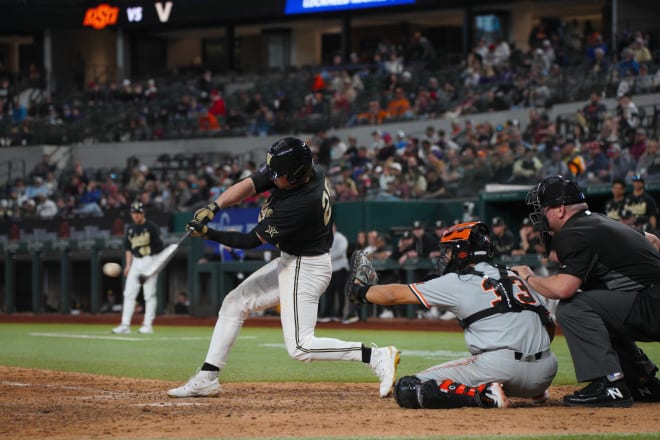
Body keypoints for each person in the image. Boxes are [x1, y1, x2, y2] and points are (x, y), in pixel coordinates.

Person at [167, 137, 399, 399]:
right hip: (293, 260)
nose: (273, 179)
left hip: (306, 267)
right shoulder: (305, 170)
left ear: (297, 174)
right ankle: (207, 378)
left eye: (279, 176)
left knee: (301, 347)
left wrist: (208, 233)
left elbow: (248, 241)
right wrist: (214, 206)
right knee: (234, 303)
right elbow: (251, 184)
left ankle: (376, 356)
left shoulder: (301, 204)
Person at [346, 221, 558, 409]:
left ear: (463, 252)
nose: (445, 256)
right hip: (546, 371)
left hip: (501, 367)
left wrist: (359, 291)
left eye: (448, 251)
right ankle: (534, 392)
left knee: (409, 387)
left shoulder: (458, 281)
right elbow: (548, 327)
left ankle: (483, 395)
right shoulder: (514, 275)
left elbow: (394, 295)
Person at [512, 175, 660, 407]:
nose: (540, 215)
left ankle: (610, 384)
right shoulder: (600, 220)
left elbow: (563, 289)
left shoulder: (573, 231)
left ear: (560, 209)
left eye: (543, 209)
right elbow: (652, 241)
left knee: (573, 307)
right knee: (599, 307)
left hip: (652, 305)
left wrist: (529, 277)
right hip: (652, 300)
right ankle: (642, 382)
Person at [112, 201, 164, 335]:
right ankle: (125, 325)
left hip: (150, 260)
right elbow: (128, 249)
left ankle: (148, 325)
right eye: (133, 213)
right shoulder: (130, 228)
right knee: (129, 294)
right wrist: (128, 265)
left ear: (143, 213)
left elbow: (159, 249)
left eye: (138, 213)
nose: (135, 215)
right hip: (136, 261)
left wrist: (156, 266)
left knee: (149, 294)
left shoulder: (152, 227)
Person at [318, 224, 351, 323]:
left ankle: (339, 314)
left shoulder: (340, 238)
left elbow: (340, 251)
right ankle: (327, 314)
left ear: (335, 228)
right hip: (330, 269)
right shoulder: (324, 238)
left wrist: (326, 257)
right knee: (329, 292)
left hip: (341, 268)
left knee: (340, 291)